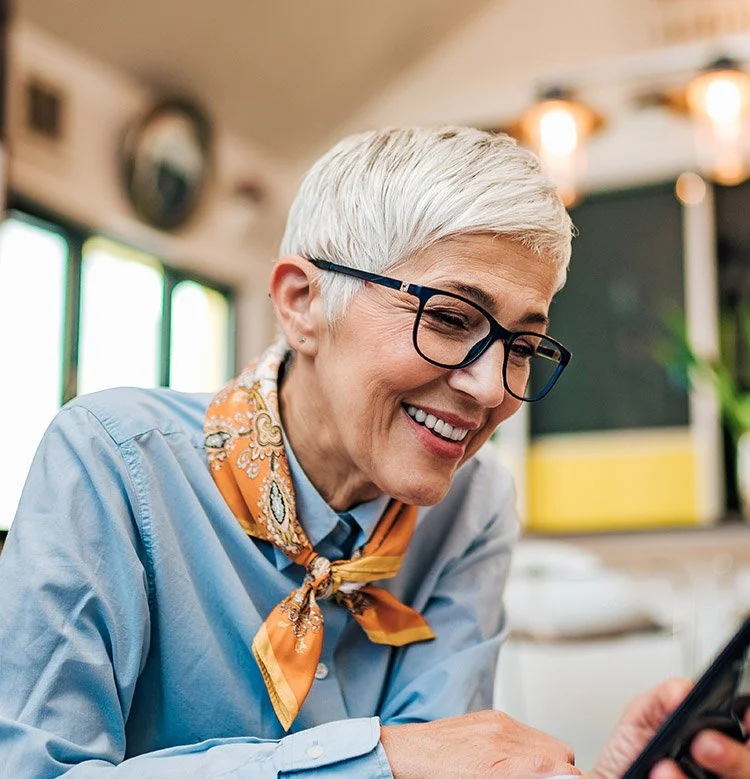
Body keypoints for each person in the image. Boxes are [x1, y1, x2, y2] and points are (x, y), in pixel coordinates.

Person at [0, 126, 747, 779]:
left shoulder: (472, 506)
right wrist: (382, 759)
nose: (492, 388)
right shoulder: (113, 460)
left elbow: (451, 771)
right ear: (301, 303)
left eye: (523, 344)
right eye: (452, 317)